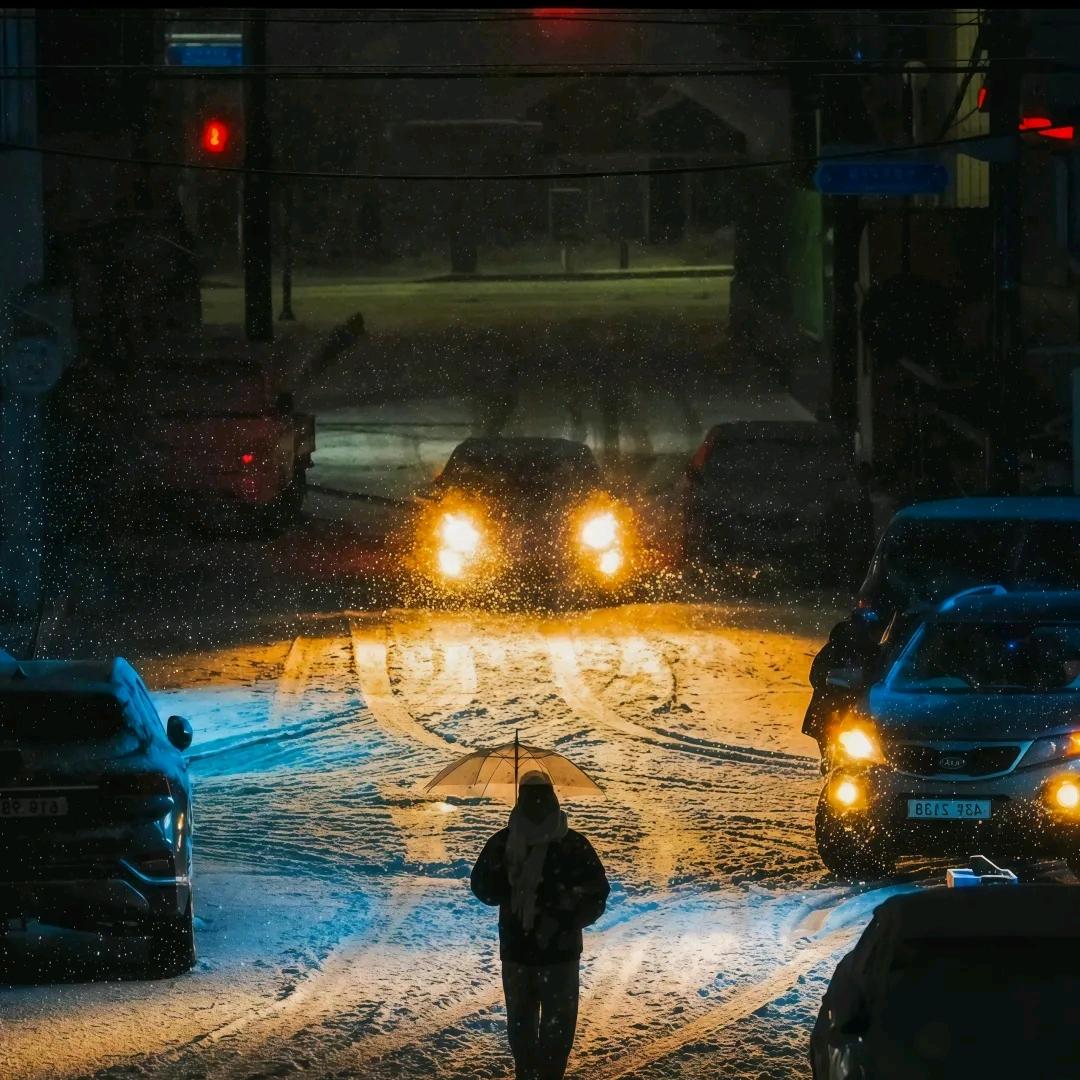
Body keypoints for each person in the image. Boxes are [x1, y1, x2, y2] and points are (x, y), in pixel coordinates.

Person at [471, 772, 610, 1080]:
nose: (536, 806)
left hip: (537, 953)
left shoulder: (507, 842)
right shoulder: (567, 843)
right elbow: (484, 888)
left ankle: (538, 1073)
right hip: (544, 954)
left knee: (537, 1030)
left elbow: (595, 895)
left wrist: (560, 913)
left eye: (538, 800)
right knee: (543, 1031)